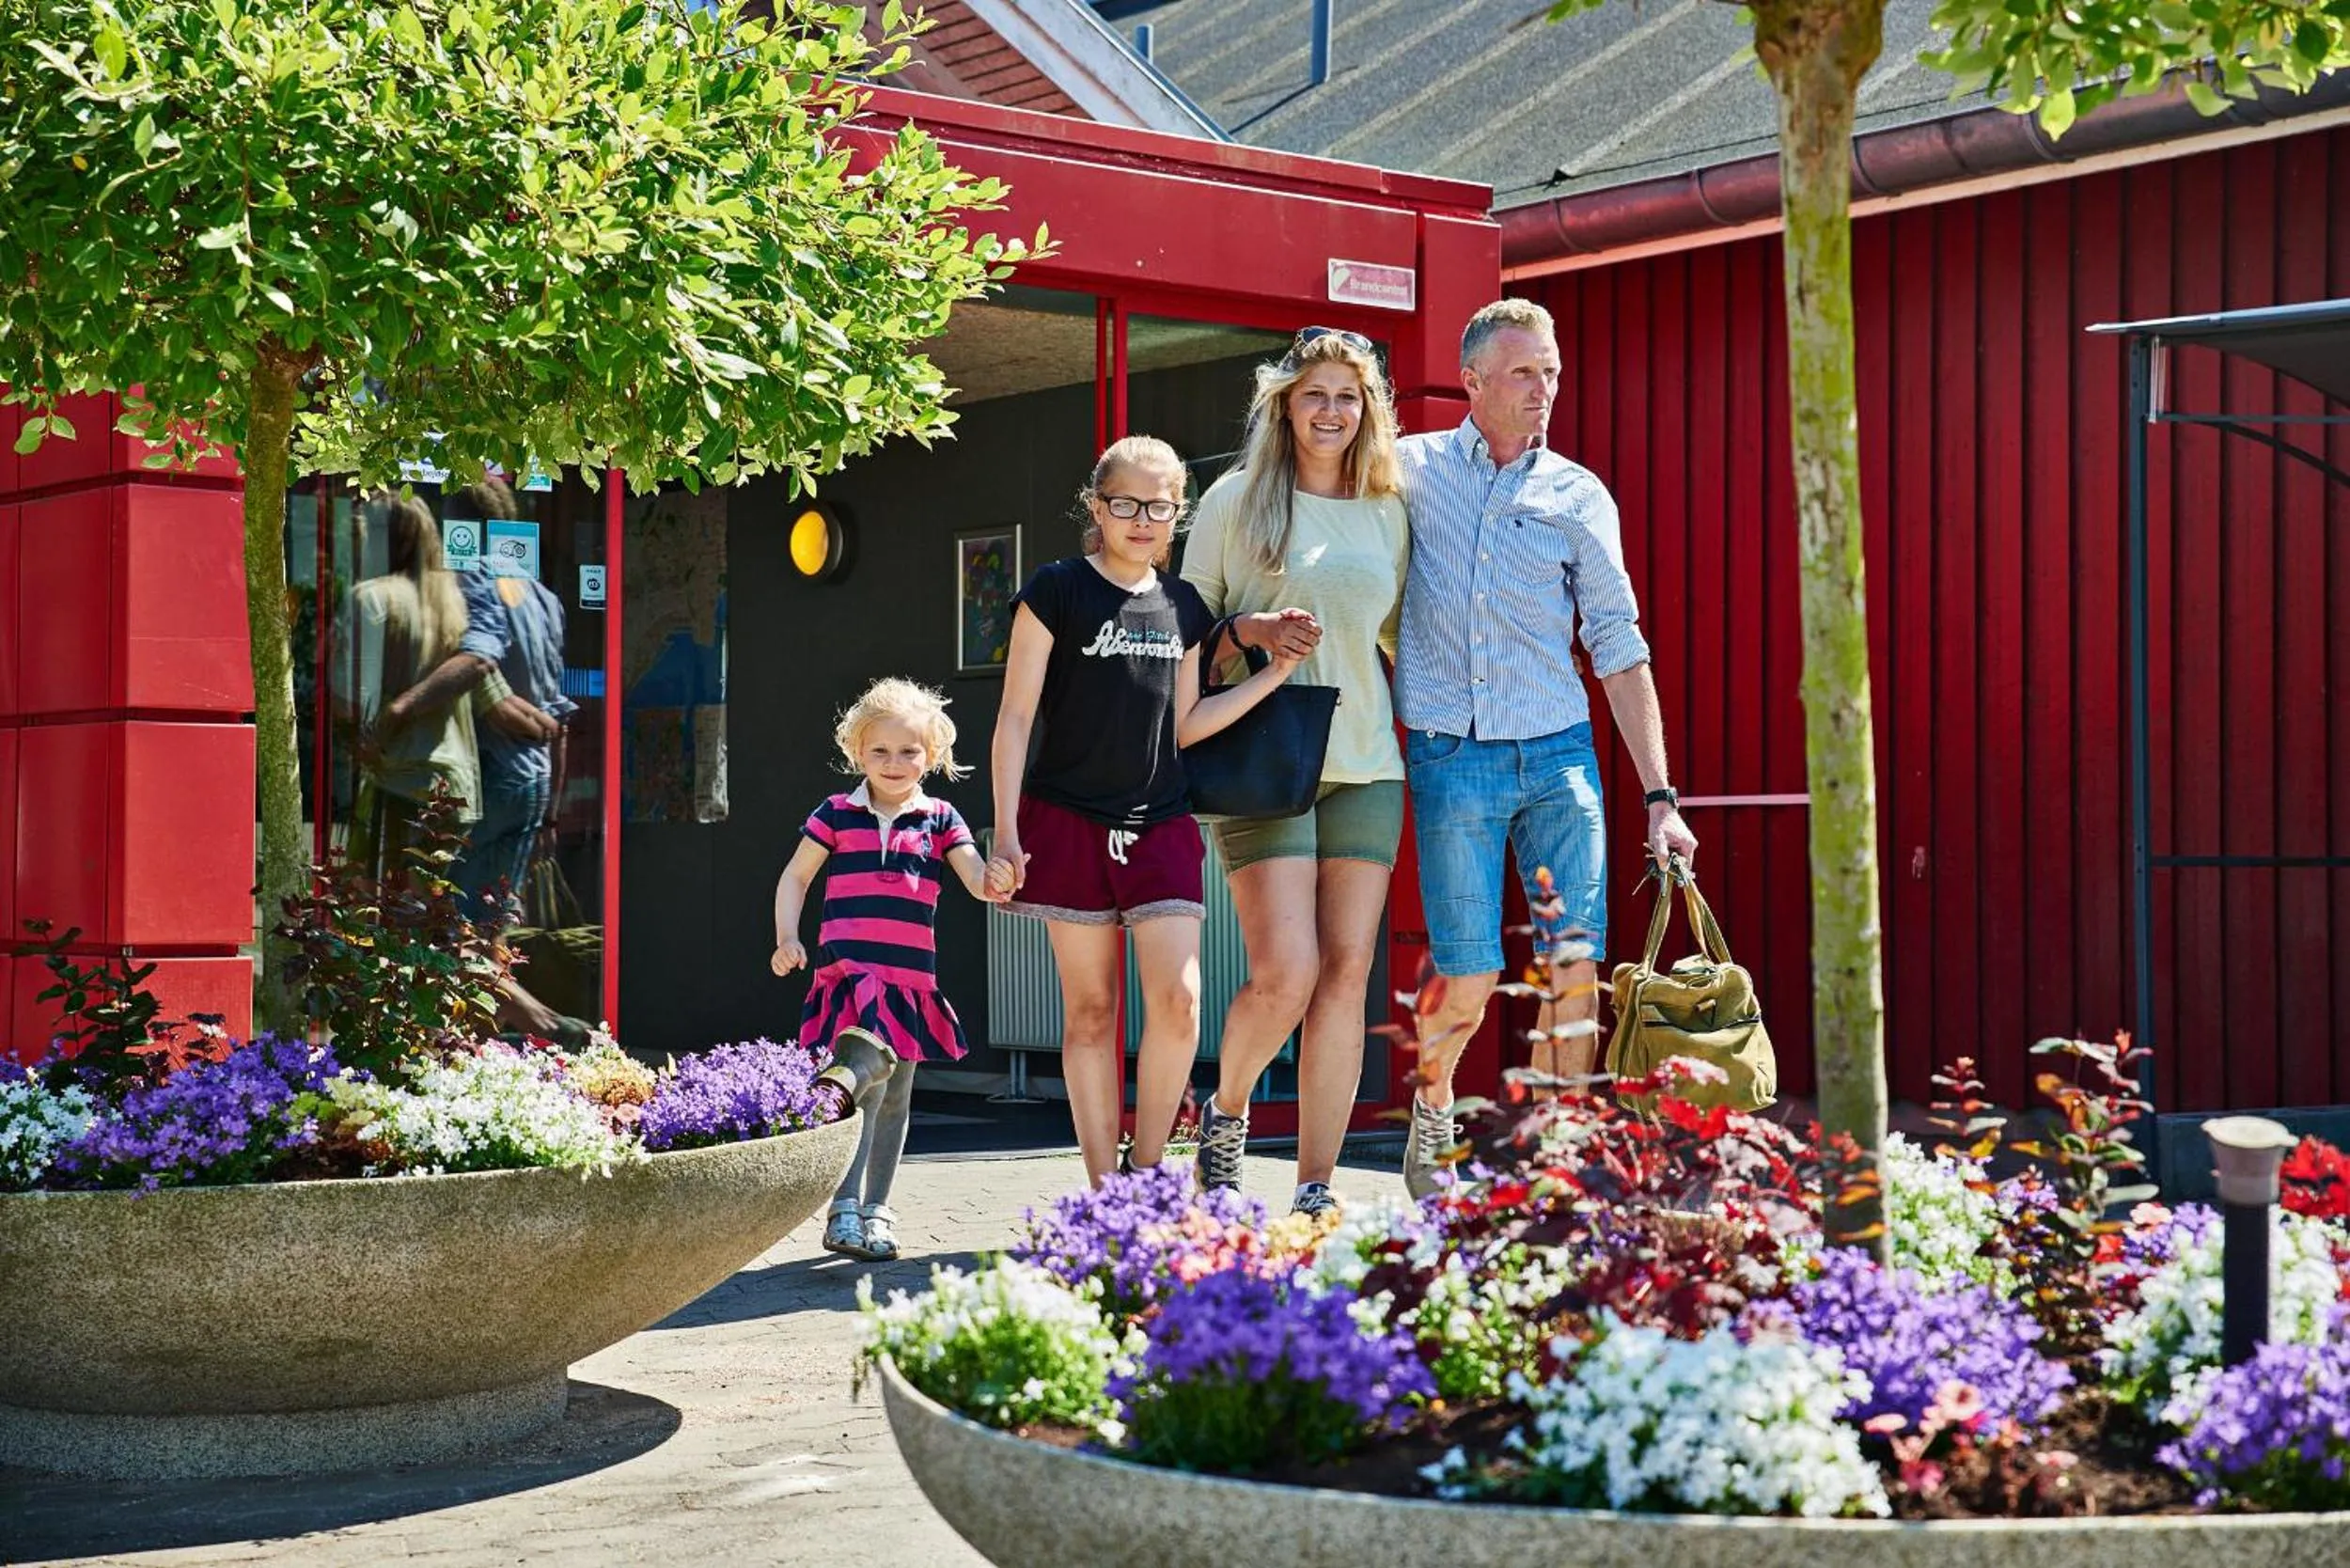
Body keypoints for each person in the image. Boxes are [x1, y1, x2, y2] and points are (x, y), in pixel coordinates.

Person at [1395, 298, 1700, 1198]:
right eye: (1524, 372)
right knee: (1471, 973)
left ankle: (1550, 1158)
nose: (1544, 389)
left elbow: (1618, 643)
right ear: (1473, 380)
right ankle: (1434, 1109)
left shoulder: (1578, 495)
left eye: (1552, 371)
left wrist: (1661, 799)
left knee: (1574, 968)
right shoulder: (1408, 472)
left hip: (1560, 756)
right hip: (1453, 756)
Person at [989, 435, 1305, 1186]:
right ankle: (1106, 1191)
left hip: (1160, 822)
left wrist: (1273, 677)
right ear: (1097, 508)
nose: (1141, 520)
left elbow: (1185, 725)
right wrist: (1005, 830)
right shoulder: (1056, 590)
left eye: (1159, 507)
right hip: (1065, 821)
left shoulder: (1183, 606)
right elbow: (1015, 717)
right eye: (1125, 504)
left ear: (1177, 515)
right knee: (1091, 1012)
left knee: (1179, 1000)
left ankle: (1151, 1169)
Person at [1180, 327, 1409, 1219]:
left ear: (1368, 409)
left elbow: (1399, 636)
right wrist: (1253, 631)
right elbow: (1185, 635)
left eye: (1348, 396)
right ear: (1284, 402)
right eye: (1315, 393)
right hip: (1265, 757)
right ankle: (1227, 1116)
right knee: (1287, 972)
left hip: (1366, 762)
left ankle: (1317, 1186)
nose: (1331, 411)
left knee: (1346, 974)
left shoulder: (1386, 508)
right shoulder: (1236, 499)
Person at [772, 678, 1003, 1262]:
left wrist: (996, 879)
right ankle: (843, 1208)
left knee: (896, 1097)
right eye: (880, 751)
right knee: (864, 1093)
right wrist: (787, 937)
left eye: (908, 751)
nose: (894, 763)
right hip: (850, 977)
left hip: (909, 983)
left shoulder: (941, 818)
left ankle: (876, 1208)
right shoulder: (836, 813)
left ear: (933, 754)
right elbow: (796, 876)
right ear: (858, 752)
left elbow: (976, 879)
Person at [336, 494, 524, 882]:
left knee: (377, 904)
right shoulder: (454, 602)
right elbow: (491, 691)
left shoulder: (370, 600)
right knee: (428, 905)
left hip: (397, 779)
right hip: (452, 787)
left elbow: (348, 703)